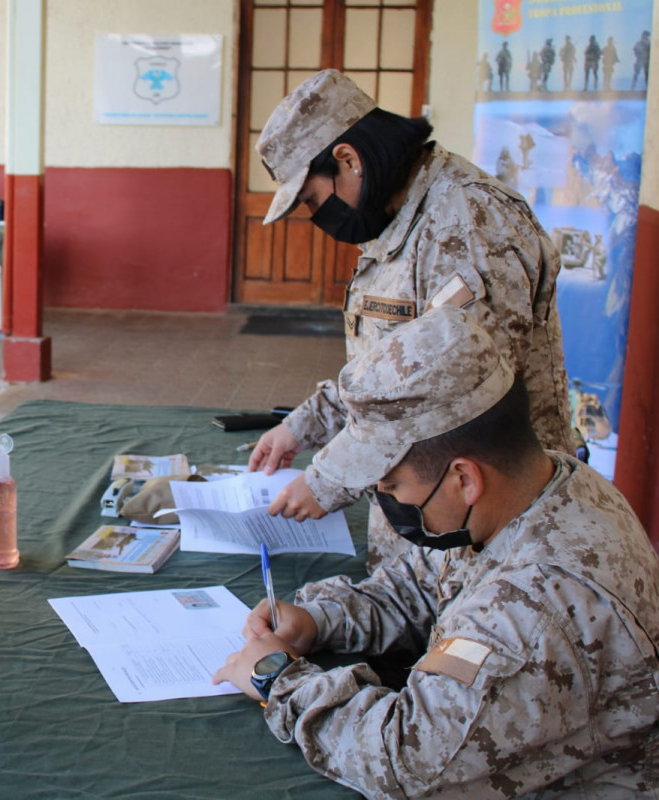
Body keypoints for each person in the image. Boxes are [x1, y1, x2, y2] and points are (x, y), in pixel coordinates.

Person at [214, 306, 659, 796]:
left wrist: (275, 677)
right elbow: (423, 587)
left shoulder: (536, 608)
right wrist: (321, 619)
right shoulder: (533, 488)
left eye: (391, 483)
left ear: (464, 479)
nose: (384, 498)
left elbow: (404, 762)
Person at [248, 69, 575, 572]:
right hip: (428, 513)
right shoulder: (396, 222)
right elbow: (391, 369)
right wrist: (303, 427)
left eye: (312, 200)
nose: (317, 218)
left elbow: (460, 392)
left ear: (348, 160)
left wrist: (328, 479)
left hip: (492, 527)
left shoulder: (469, 222)